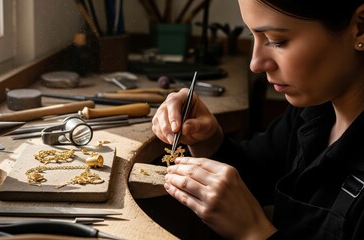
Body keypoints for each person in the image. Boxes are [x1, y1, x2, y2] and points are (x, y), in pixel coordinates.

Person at [151, 0, 364, 239]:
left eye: (276, 40)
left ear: (360, 27)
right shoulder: (313, 112)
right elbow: (255, 176)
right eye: (253, 35)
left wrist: (254, 233)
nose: (255, 64)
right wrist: (208, 141)